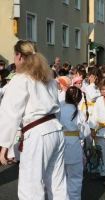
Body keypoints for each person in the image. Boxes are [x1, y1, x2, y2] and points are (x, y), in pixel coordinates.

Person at [0, 40, 68, 199]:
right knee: (57, 184)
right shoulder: (48, 78)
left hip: (38, 133)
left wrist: (4, 145)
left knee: (31, 187)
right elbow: (57, 106)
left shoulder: (20, 78)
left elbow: (11, 113)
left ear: (18, 56)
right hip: (56, 130)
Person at [60, 86, 90, 199]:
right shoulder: (80, 113)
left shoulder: (59, 110)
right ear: (79, 99)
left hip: (59, 144)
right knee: (75, 176)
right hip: (73, 144)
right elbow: (83, 134)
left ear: (65, 97)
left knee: (59, 175)